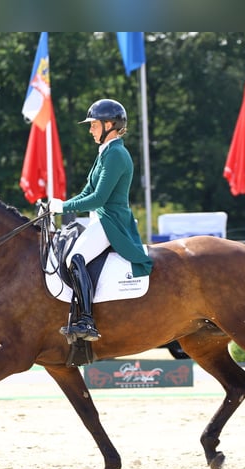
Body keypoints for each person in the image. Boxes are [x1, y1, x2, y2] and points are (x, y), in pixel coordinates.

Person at [49, 98, 153, 342]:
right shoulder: (105, 153)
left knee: (76, 258)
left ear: (109, 124)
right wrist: (56, 205)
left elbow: (98, 198)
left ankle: (86, 320)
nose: (90, 129)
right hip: (100, 220)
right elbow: (86, 192)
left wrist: (62, 207)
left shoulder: (116, 154)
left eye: (94, 124)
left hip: (111, 221)